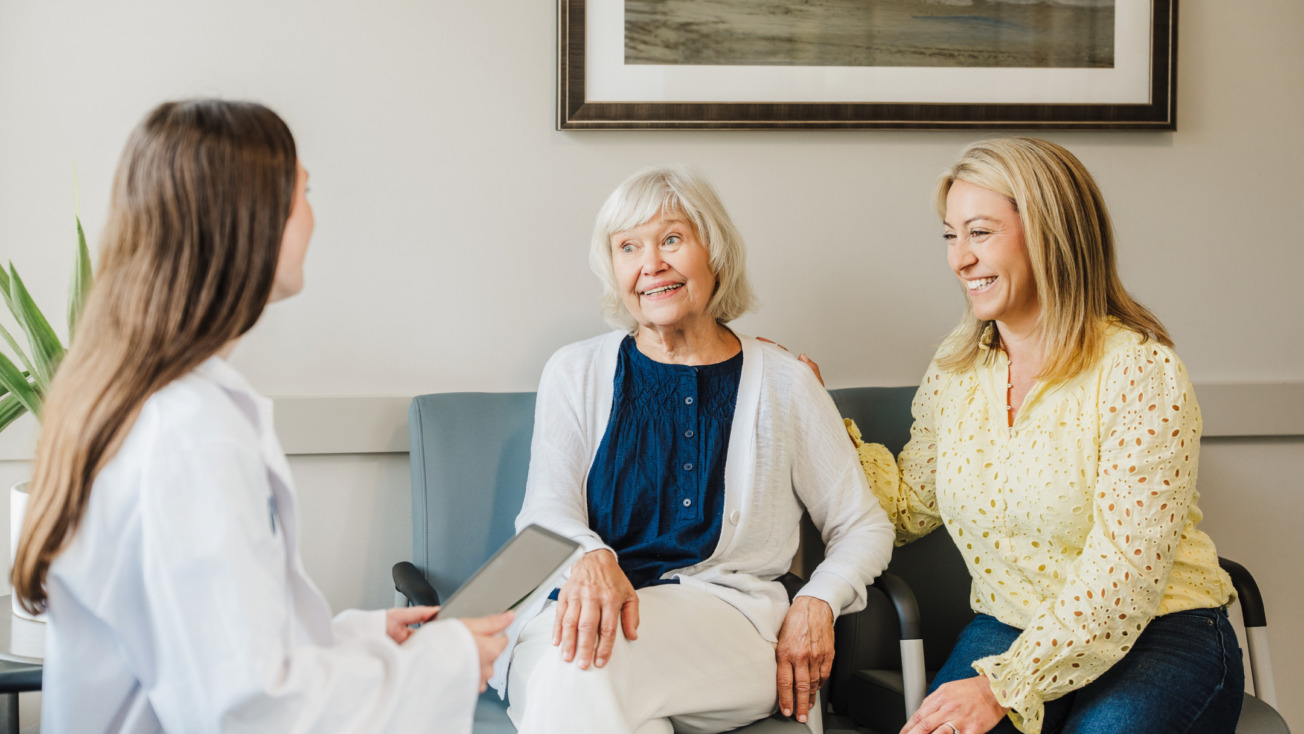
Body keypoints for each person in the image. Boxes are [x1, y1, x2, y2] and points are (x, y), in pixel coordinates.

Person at [11, 99, 512, 733]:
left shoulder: (155, 403)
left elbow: (217, 649)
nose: (313, 216)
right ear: (249, 218)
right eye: (302, 193)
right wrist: (447, 660)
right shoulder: (190, 432)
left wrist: (356, 640)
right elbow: (249, 708)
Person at [842, 138, 1242, 734]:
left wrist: (1005, 685)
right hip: (1009, 624)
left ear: (1050, 233)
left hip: (1159, 633)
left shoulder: (1139, 370)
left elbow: (1125, 578)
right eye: (951, 237)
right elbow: (904, 510)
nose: (959, 259)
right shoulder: (955, 374)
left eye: (979, 233)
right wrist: (811, 411)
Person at [502, 166, 894, 734]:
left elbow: (863, 526)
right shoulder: (575, 371)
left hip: (728, 626)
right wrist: (591, 556)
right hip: (576, 615)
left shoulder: (785, 382)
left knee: (583, 669)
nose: (650, 264)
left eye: (671, 239)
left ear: (716, 251)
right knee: (607, 692)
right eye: (628, 247)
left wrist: (819, 601)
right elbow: (546, 510)